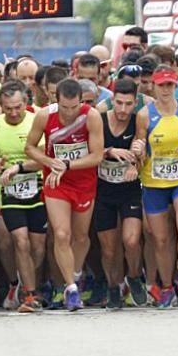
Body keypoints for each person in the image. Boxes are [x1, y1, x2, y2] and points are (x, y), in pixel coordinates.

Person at [25, 78, 104, 312]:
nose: (69, 113)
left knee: (80, 237)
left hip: (83, 181)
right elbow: (29, 147)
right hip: (55, 181)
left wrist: (67, 164)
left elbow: (97, 156)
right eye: (64, 107)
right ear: (55, 100)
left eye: (74, 107)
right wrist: (50, 162)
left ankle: (76, 273)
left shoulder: (91, 116)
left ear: (81, 101)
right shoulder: (44, 116)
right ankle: (70, 288)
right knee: (61, 233)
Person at [135, 66, 178, 307]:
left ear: (175, 86)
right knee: (160, 240)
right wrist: (139, 152)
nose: (165, 89)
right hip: (154, 182)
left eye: (170, 85)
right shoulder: (145, 114)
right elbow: (140, 146)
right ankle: (165, 286)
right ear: (153, 86)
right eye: (161, 85)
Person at [0, 80, 46, 313]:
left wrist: (19, 167)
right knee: (20, 240)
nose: (13, 112)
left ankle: (26, 282)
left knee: (38, 247)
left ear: (26, 103)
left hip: (38, 190)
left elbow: (43, 159)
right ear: (0, 105)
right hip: (8, 192)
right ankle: (29, 295)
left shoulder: (36, 120)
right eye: (8, 108)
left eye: (18, 107)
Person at [92, 78, 146, 309]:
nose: (123, 110)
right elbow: (90, 152)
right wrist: (109, 151)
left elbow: (140, 150)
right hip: (103, 190)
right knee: (109, 248)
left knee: (131, 241)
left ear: (135, 103)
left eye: (128, 104)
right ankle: (113, 286)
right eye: (119, 103)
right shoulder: (99, 120)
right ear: (112, 100)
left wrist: (136, 165)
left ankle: (134, 276)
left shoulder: (138, 121)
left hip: (129, 190)